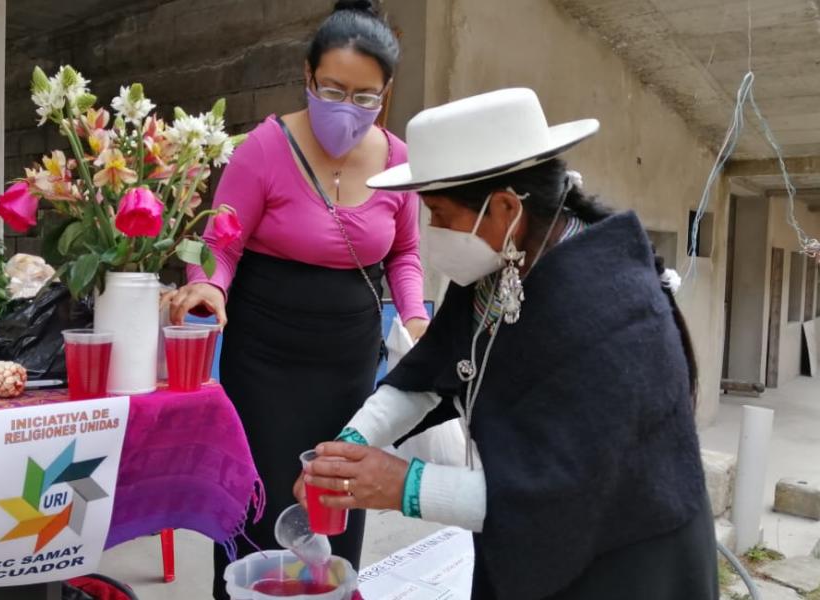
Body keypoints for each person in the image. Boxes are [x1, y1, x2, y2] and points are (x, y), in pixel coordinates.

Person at [298, 88, 719, 599]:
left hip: (627, 564)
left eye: (441, 214)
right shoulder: (500, 267)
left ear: (504, 208)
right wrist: (352, 444)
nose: (434, 233)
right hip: (531, 542)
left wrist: (404, 486)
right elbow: (429, 374)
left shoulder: (617, 318)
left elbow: (562, 494)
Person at [161, 1, 429, 597]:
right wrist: (208, 284)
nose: (348, 106)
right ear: (307, 78)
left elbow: (404, 254)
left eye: (365, 96)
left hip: (350, 361)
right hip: (265, 355)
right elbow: (220, 243)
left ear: (385, 96)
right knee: (257, 499)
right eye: (333, 88)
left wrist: (415, 315)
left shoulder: (399, 160)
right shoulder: (265, 146)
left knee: (338, 495)